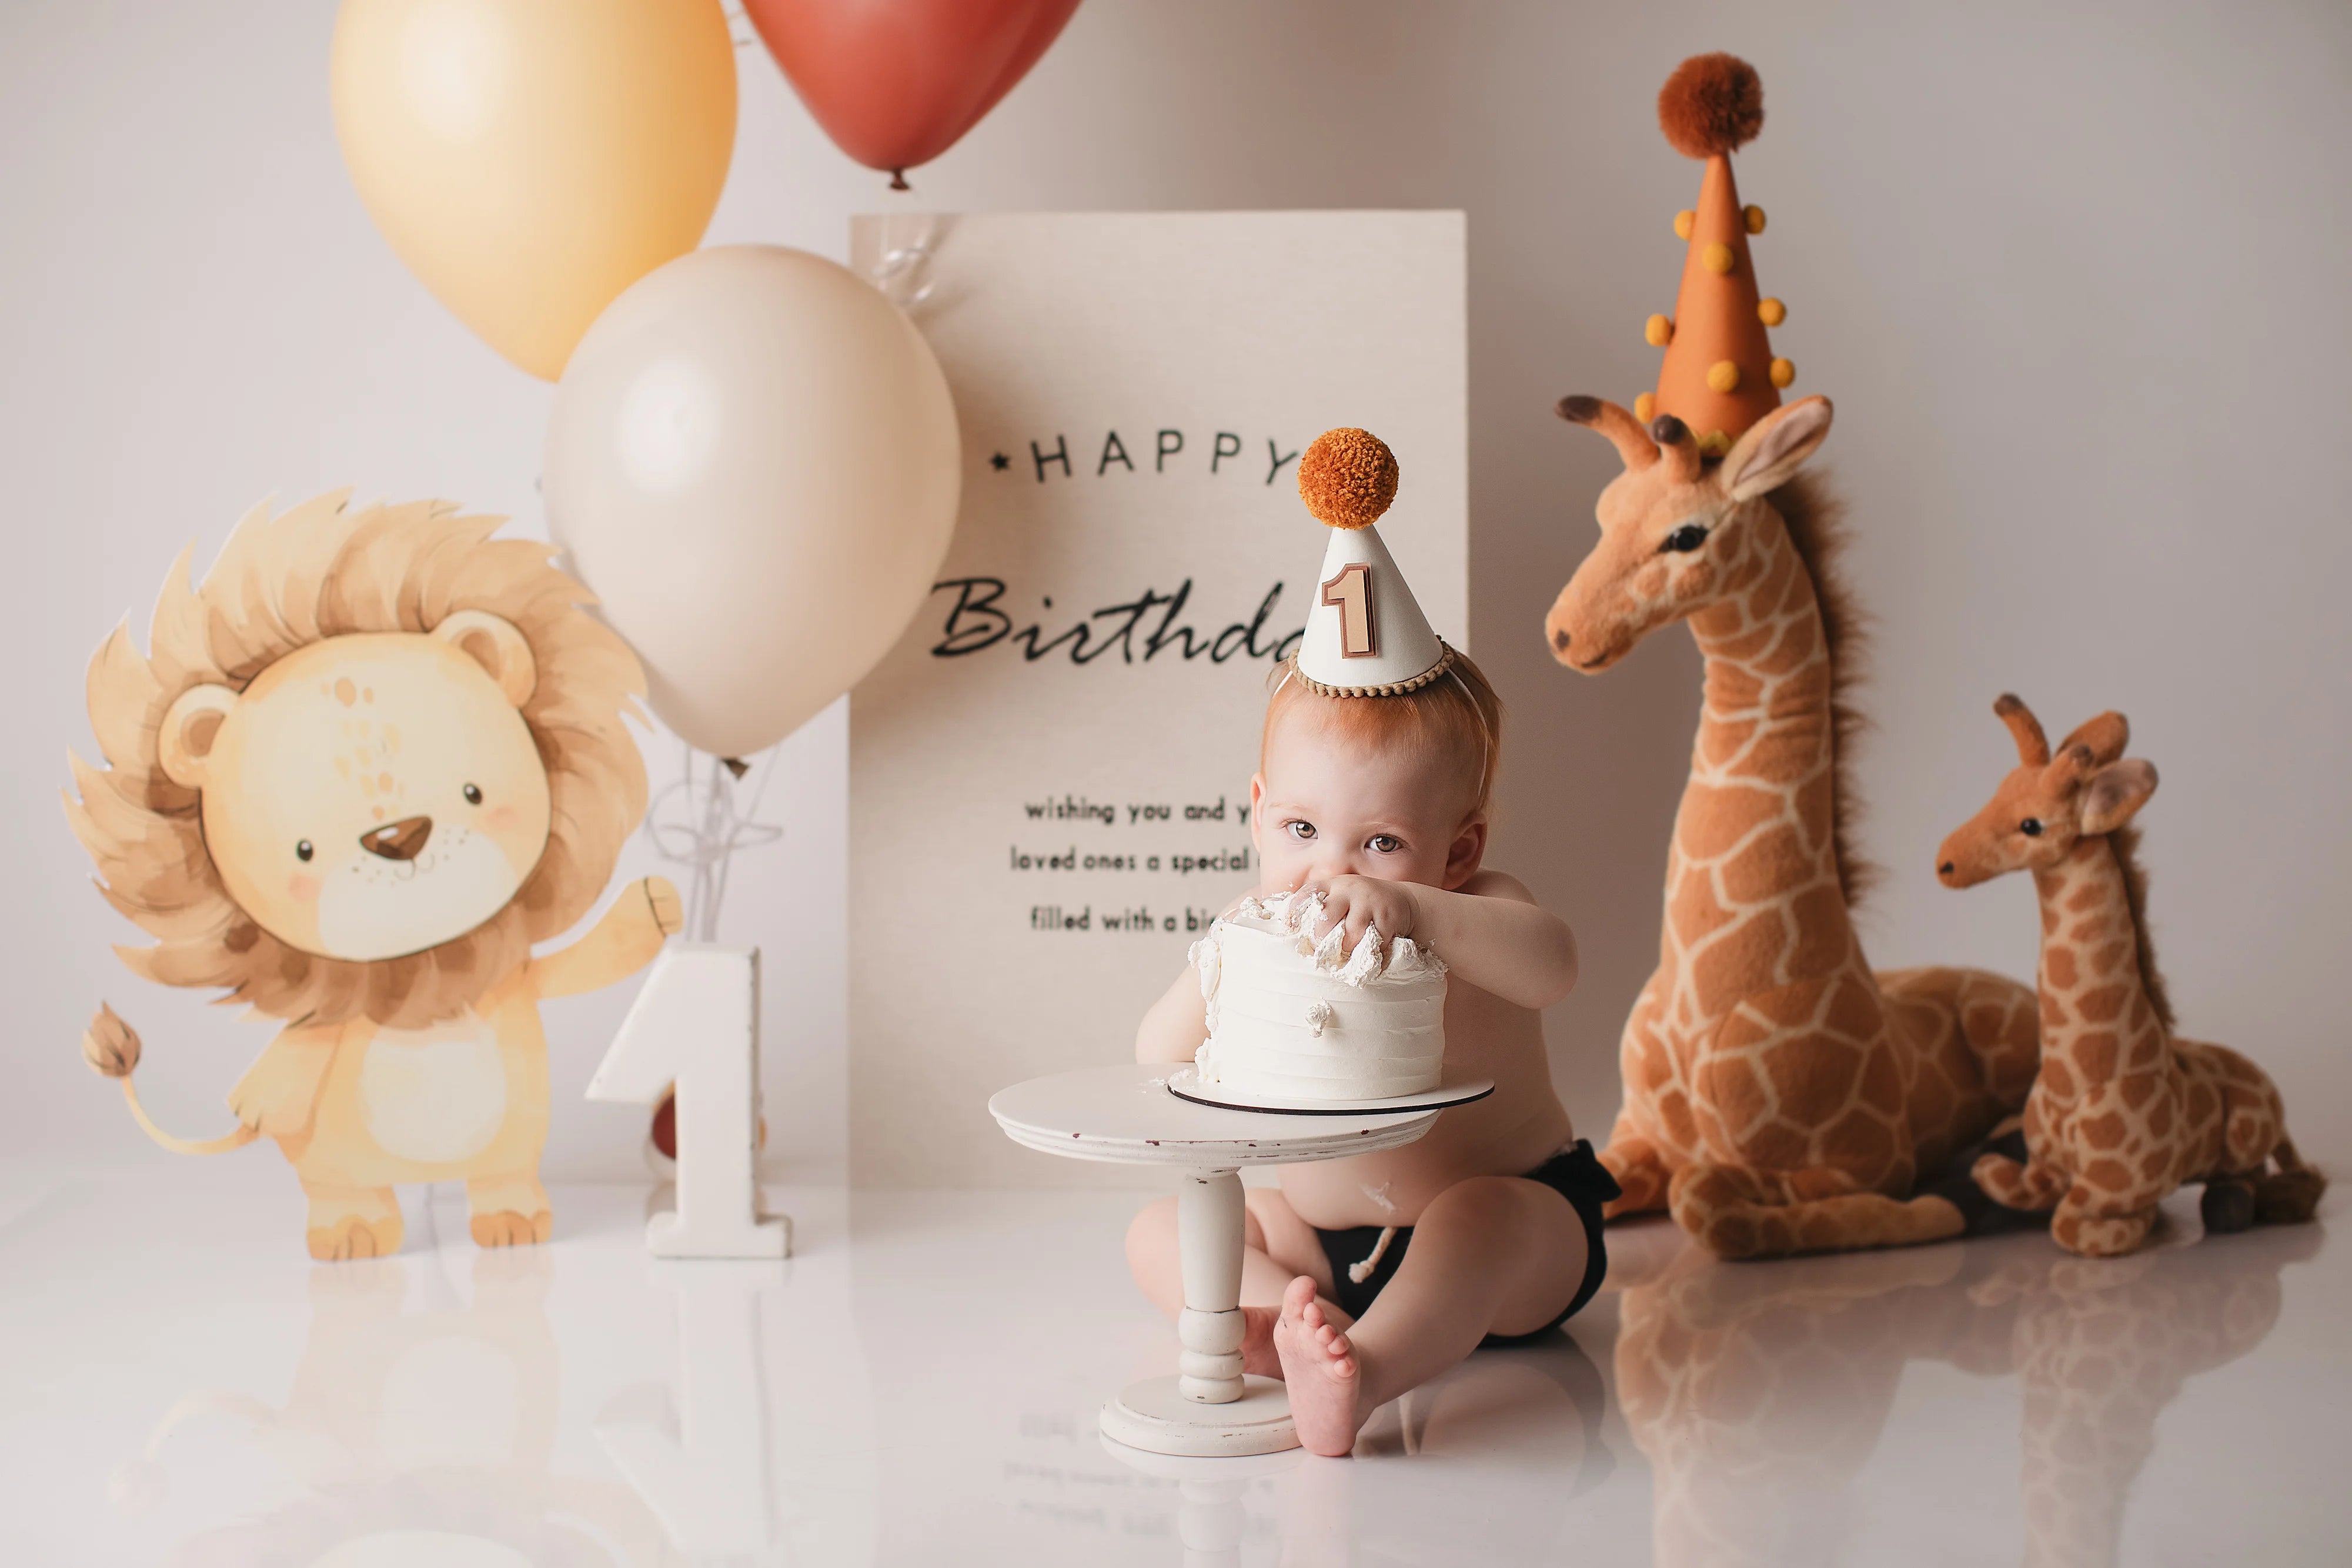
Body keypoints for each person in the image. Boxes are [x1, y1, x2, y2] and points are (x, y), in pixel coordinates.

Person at [1125, 452, 1609, 1456]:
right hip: (1325, 1243)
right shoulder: (1255, 928)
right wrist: (1217, 960)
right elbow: (1156, 1054)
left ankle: (1372, 1376)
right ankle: (1302, 1328)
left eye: (1379, 843)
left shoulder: (1476, 908)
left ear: (1458, 849)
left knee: (1475, 1222)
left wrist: (1416, 913)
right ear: (1258, 816)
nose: (1328, 875)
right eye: (1300, 831)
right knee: (1164, 1231)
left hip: (1518, 1232)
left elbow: (1553, 965)